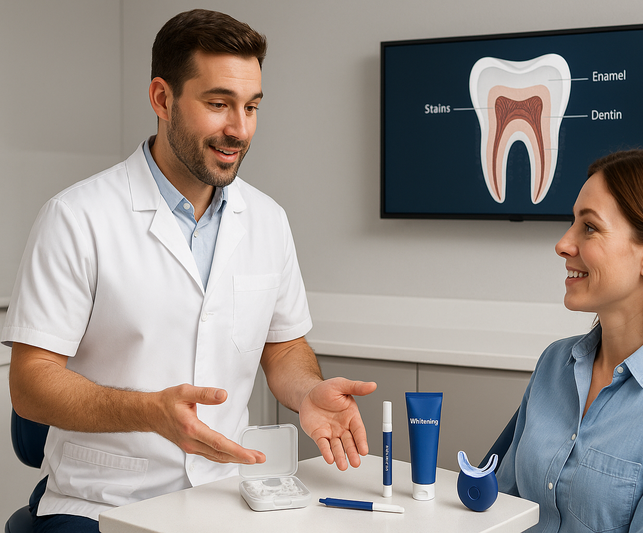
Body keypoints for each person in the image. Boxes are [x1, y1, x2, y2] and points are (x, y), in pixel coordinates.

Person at [2, 9, 376, 531]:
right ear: (162, 99)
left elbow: (285, 347)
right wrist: (150, 411)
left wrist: (306, 392)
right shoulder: (76, 218)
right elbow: (30, 385)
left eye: (251, 107)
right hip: (105, 502)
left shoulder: (267, 220)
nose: (238, 129)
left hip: (225, 497)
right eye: (218, 104)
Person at [496, 150, 643, 532]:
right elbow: (501, 508)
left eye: (589, 228)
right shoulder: (555, 363)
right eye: (572, 223)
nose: (563, 244)